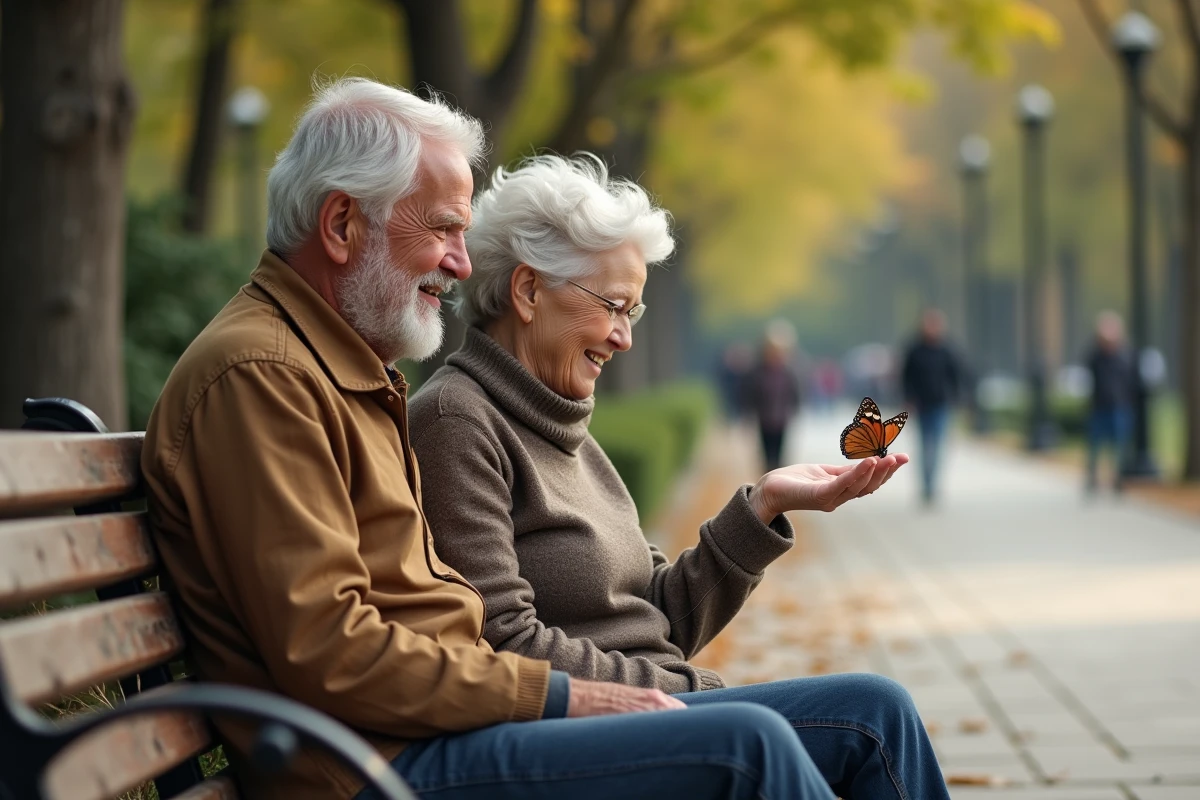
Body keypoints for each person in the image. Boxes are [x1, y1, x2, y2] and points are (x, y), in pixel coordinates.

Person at [140, 77, 862, 800]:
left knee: (864, 711)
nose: (461, 261)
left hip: (438, 737)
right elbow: (330, 649)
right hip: (374, 769)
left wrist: (760, 507)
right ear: (341, 226)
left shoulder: (340, 371)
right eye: (443, 228)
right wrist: (559, 697)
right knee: (748, 746)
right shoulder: (264, 377)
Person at [409, 154, 950, 800]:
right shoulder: (455, 419)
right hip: (570, 729)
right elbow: (502, 643)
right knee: (790, 734)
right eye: (612, 306)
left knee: (879, 708)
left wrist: (765, 503)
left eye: (632, 314)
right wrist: (685, 693)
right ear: (527, 291)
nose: (623, 338)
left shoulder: (563, 428)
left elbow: (656, 621)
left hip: (652, 704)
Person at [901, 308, 962, 505]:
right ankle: (925, 485)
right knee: (924, 446)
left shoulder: (947, 350)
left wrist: (957, 397)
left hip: (941, 404)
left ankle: (933, 485)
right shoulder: (915, 350)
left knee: (937, 446)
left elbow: (956, 376)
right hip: (921, 405)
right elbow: (906, 377)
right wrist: (908, 398)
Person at [742, 323, 804, 469]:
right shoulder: (758, 372)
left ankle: (778, 477)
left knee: (780, 454)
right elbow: (750, 393)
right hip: (764, 418)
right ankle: (768, 478)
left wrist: (795, 409)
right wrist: (748, 412)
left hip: (782, 418)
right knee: (766, 454)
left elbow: (794, 392)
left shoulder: (788, 372)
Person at [1085, 310, 1134, 492]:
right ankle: (1092, 478)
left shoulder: (1124, 355)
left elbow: (1131, 381)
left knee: (1119, 446)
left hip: (1119, 407)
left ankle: (1117, 479)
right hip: (1099, 407)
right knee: (1095, 446)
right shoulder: (1095, 356)